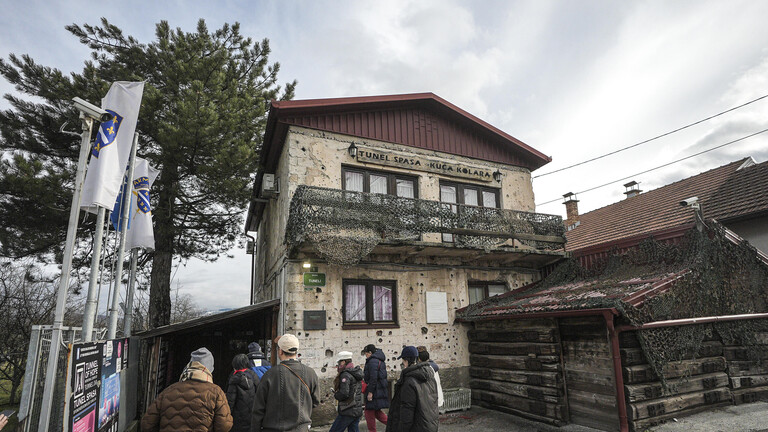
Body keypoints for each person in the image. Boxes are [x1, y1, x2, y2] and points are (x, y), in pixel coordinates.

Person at [141, 347, 233, 432]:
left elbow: (146, 424)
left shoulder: (169, 390)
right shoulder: (216, 392)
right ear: (210, 370)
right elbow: (224, 426)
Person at [250, 334, 320, 432]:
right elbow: (315, 402)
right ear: (296, 351)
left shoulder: (270, 374)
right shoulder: (311, 373)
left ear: (280, 351)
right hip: (301, 429)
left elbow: (258, 409)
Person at [385, 346, 438, 432]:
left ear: (406, 361)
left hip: (416, 427)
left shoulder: (409, 381)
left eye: (403, 361)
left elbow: (407, 411)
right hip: (429, 424)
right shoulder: (430, 376)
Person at [329, 351, 364, 432]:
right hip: (357, 409)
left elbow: (344, 393)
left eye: (339, 362)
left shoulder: (345, 375)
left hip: (348, 410)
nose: (338, 365)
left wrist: (336, 395)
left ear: (343, 362)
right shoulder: (356, 373)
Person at [227, 354, 260, 432]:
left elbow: (230, 401)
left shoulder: (234, 378)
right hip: (252, 416)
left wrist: (227, 416)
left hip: (237, 418)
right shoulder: (253, 375)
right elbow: (259, 394)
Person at [362, 344, 389, 432]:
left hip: (374, 390)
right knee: (377, 412)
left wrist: (370, 392)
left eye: (366, 354)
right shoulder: (379, 359)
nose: (366, 356)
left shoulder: (372, 361)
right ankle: (394, 425)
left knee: (368, 413)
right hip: (379, 389)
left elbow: (373, 378)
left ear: (370, 352)